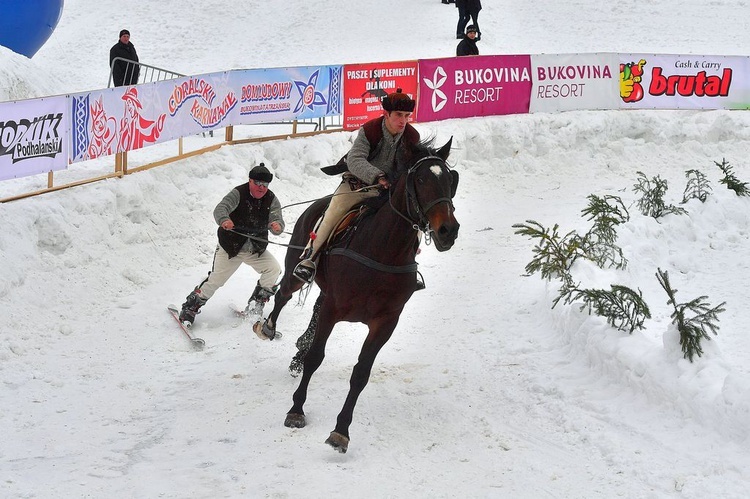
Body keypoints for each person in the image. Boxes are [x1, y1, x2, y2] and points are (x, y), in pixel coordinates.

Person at [292, 89, 420, 284]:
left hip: (389, 191)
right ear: (386, 114)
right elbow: (355, 159)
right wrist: (376, 175)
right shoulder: (370, 130)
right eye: (398, 115)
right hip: (357, 185)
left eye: (406, 116)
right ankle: (310, 259)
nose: (403, 121)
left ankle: (409, 264)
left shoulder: (412, 136)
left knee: (415, 218)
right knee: (334, 211)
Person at [179, 163, 285, 327]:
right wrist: (224, 220)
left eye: (265, 185)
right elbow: (220, 209)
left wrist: (277, 226)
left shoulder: (271, 198)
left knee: (273, 268)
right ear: (250, 181)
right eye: (258, 183)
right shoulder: (238, 193)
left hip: (255, 248)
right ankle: (190, 307)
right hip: (231, 247)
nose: (261, 188)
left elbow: (277, 218)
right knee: (216, 280)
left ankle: (256, 305)